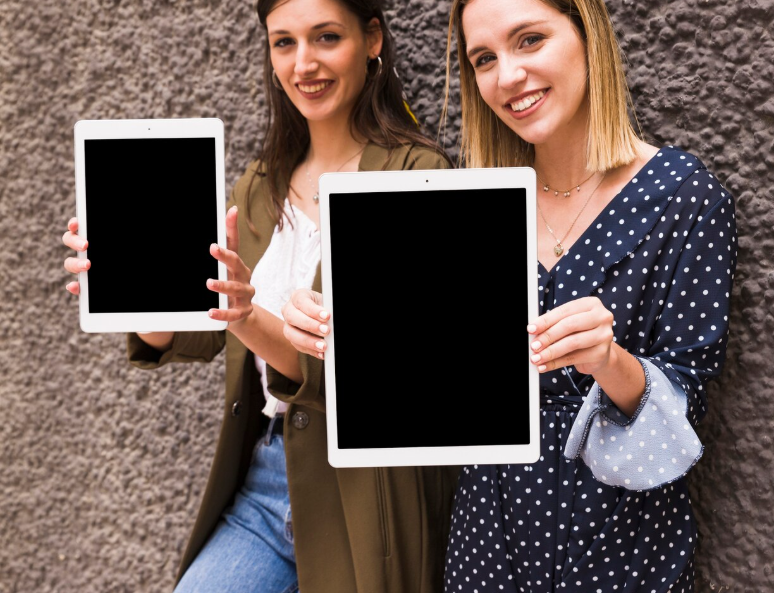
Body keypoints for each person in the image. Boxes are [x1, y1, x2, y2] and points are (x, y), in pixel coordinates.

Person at [281, 0, 738, 591]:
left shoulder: (682, 196)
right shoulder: (472, 205)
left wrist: (611, 362)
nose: (508, 76)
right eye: (485, 59)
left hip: (621, 540)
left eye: (530, 41)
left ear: (587, 36)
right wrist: (335, 330)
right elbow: (430, 372)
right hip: (488, 536)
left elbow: (687, 405)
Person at [62, 0, 459, 591]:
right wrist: (129, 283)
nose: (304, 63)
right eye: (284, 42)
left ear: (371, 37)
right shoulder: (261, 182)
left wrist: (246, 316)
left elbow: (364, 376)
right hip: (267, 481)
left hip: (364, 493)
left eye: (326, 37)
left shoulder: (415, 174)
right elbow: (194, 330)